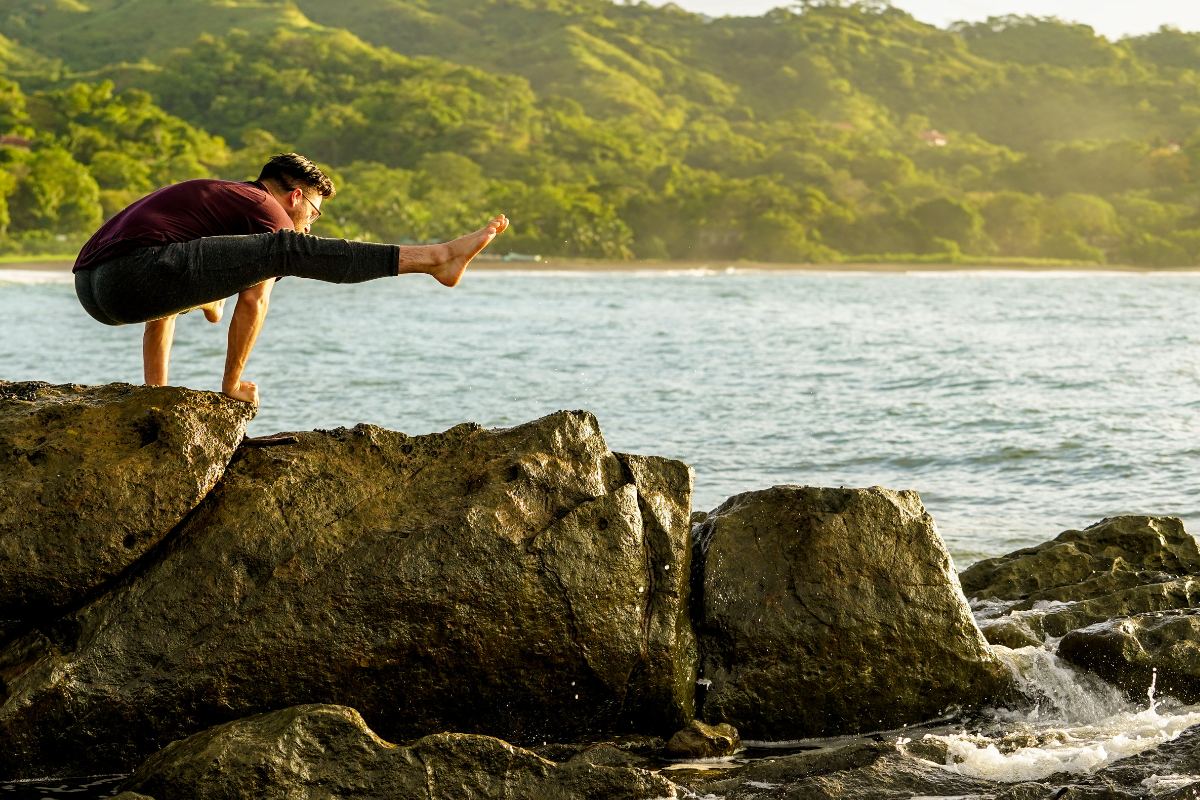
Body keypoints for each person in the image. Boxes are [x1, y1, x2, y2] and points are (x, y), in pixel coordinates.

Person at [72, 152, 508, 405]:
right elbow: (256, 302)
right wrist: (232, 387)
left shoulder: (221, 203)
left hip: (97, 291)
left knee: (232, 269)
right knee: (284, 251)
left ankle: (207, 300)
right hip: (131, 275)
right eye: (314, 213)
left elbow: (157, 312)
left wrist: (156, 396)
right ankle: (439, 258)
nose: (310, 225)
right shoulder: (266, 208)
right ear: (295, 194)